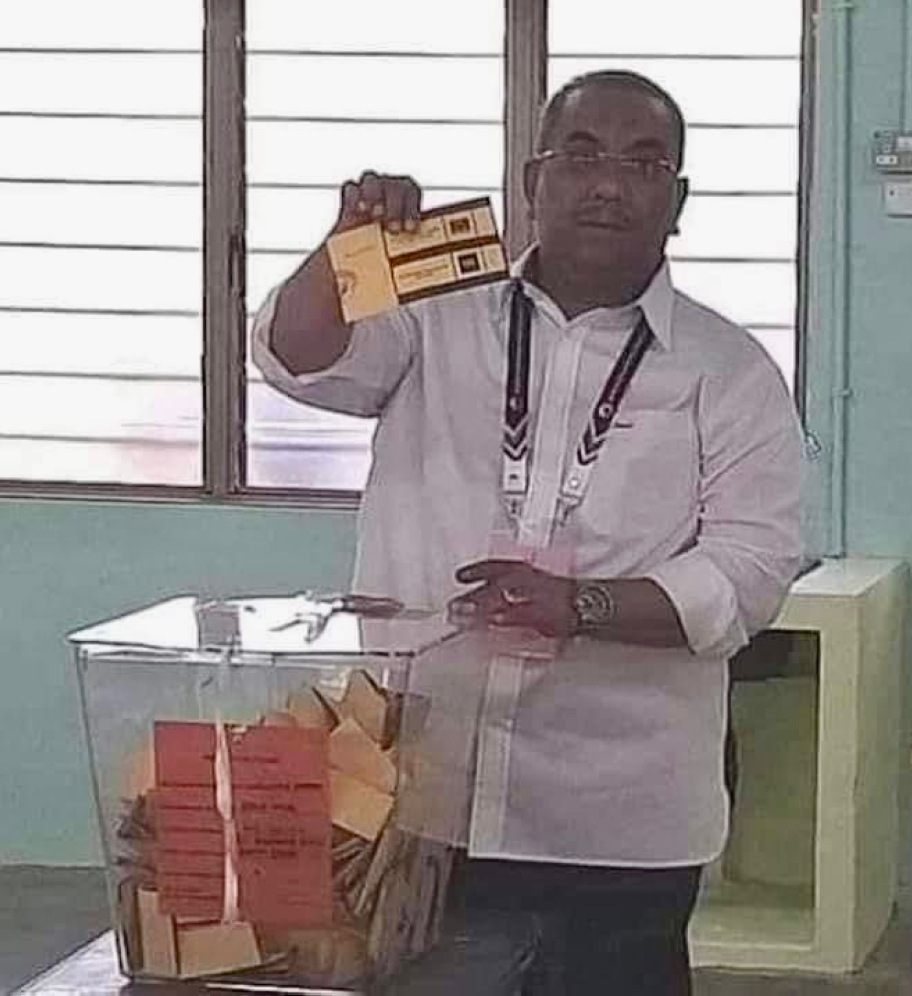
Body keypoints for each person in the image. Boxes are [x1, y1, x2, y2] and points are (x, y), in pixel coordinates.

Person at [252, 69, 804, 995]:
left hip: (621, 821)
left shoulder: (730, 368)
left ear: (678, 201)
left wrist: (580, 604)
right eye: (581, 155)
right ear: (530, 179)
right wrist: (345, 250)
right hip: (428, 796)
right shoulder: (434, 308)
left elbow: (752, 564)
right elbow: (297, 360)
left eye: (644, 162)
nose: (608, 183)